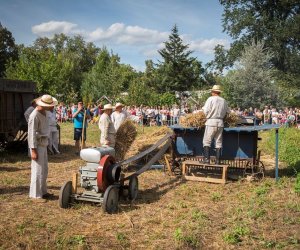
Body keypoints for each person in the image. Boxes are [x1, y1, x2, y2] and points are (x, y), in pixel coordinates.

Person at [28, 94, 56, 202]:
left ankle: (43, 191)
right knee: (37, 170)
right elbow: (31, 135)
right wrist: (33, 150)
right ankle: (35, 195)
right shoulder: (34, 115)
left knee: (44, 169)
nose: (52, 107)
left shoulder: (45, 112)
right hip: (37, 145)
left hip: (43, 144)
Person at [202, 85, 230, 164]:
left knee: (207, 141)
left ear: (213, 92)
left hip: (211, 122)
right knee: (218, 142)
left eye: (212, 91)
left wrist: (205, 117)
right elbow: (228, 112)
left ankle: (207, 160)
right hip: (220, 123)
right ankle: (218, 161)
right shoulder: (224, 100)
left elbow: (206, 110)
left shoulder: (210, 99)